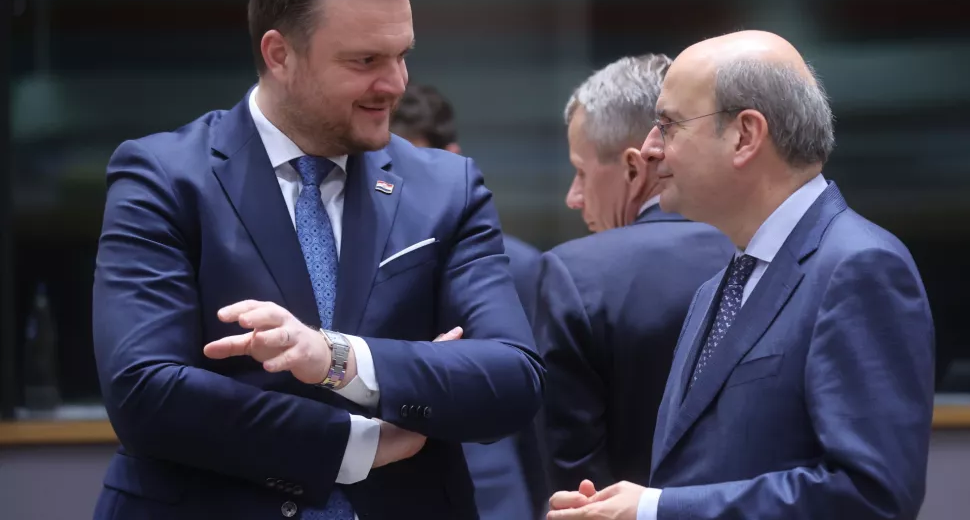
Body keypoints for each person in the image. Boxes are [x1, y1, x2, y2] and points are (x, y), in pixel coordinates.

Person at [91, 0, 544, 519]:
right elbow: (145, 392)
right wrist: (356, 443)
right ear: (280, 54)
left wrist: (339, 359)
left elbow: (511, 378)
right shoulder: (164, 176)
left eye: (402, 54)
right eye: (365, 61)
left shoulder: (448, 187)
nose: (396, 83)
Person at [548, 30, 935, 520]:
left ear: (745, 135)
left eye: (667, 125)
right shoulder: (722, 283)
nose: (648, 149)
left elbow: (871, 497)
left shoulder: (859, 267)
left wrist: (656, 511)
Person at [535, 55, 734, 492]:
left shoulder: (577, 274)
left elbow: (578, 484)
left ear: (633, 166)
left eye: (581, 172)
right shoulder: (765, 250)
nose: (574, 196)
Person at [391, 82, 548, 520]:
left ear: (452, 157)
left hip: (496, 496)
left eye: (413, 165)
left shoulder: (518, 265)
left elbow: (538, 410)